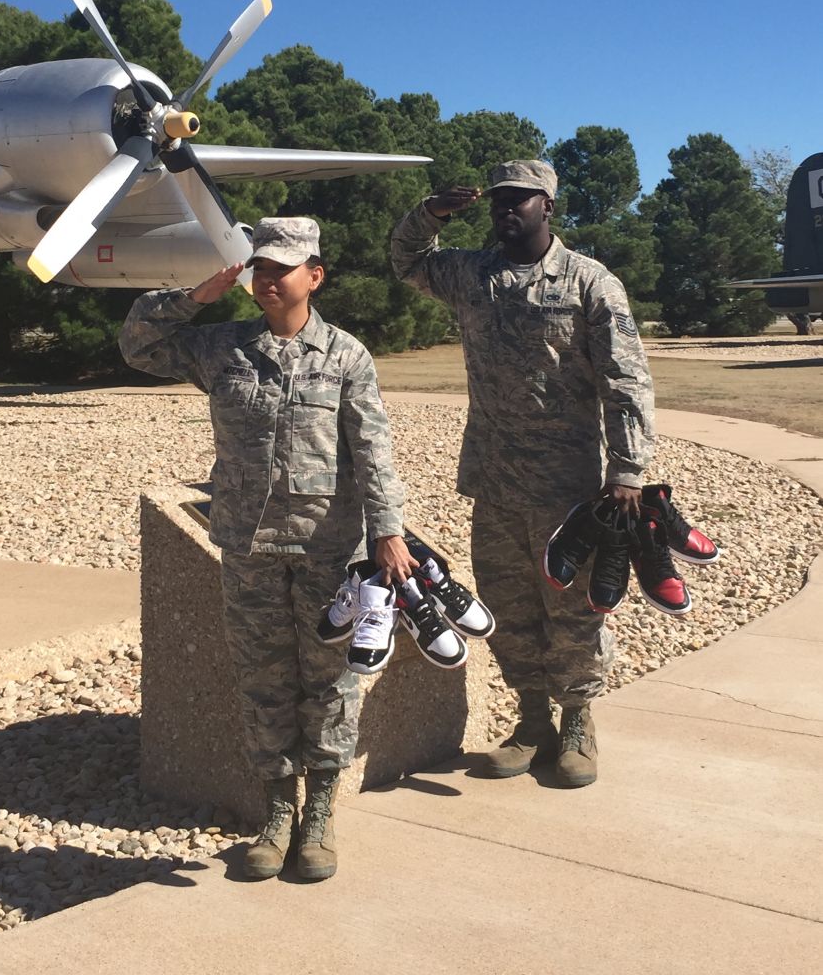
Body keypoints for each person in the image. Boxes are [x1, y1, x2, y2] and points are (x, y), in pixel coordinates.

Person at [119, 217, 414, 880]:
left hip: (327, 548)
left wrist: (388, 530)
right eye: (260, 266)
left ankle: (321, 815)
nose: (268, 278)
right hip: (248, 545)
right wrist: (193, 298)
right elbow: (138, 346)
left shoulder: (345, 355)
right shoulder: (222, 348)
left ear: (315, 275)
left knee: (332, 682)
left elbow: (372, 449)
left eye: (283, 267)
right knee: (263, 680)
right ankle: (277, 811)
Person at [391, 159, 655, 787]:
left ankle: (578, 721)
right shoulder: (471, 274)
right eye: (500, 200)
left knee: (572, 608)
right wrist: (430, 212)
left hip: (568, 485)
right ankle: (531, 720)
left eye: (521, 200)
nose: (507, 209)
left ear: (548, 208)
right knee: (508, 605)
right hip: (494, 480)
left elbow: (626, 379)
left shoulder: (591, 282)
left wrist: (627, 469)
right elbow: (406, 259)